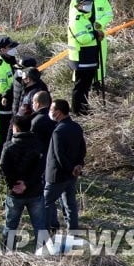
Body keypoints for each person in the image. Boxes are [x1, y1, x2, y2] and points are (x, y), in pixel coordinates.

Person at [0, 114, 46, 250]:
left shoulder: (8, 146)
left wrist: (13, 184)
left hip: (14, 193)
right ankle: (43, 253)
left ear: (16, 128)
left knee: (10, 225)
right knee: (40, 226)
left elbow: (3, 168)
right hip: (35, 191)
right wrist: (27, 184)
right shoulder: (38, 144)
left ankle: (8, 254)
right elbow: (40, 169)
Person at [44, 99, 87, 234]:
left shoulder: (58, 131)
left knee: (45, 202)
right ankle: (73, 230)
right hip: (72, 174)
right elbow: (82, 149)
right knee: (70, 204)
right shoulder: (76, 127)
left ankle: (48, 229)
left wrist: (70, 168)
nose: (50, 112)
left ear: (58, 112)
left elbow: (58, 156)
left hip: (57, 175)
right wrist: (78, 166)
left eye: (51, 110)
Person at [70, 0, 114, 86]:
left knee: (100, 57)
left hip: (99, 34)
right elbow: (73, 19)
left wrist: (100, 24)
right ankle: (79, 82)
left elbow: (109, 14)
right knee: (82, 59)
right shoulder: (76, 0)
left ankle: (97, 81)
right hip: (84, 36)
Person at [67, 0, 100, 115]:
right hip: (81, 58)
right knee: (80, 86)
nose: (89, 6)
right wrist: (96, 35)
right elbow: (83, 38)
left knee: (86, 86)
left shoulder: (84, 17)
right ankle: (77, 110)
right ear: (78, 5)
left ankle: (84, 108)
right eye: (86, 4)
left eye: (90, 3)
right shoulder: (76, 19)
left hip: (89, 57)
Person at [0, 36, 20, 147]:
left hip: (13, 100)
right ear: (3, 50)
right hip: (4, 105)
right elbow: (2, 89)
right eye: (10, 47)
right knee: (4, 133)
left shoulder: (11, 60)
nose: (14, 49)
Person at [29, 91, 55, 159]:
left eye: (33, 102)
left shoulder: (35, 120)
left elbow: (32, 141)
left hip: (40, 156)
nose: (32, 105)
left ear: (37, 104)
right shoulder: (54, 118)